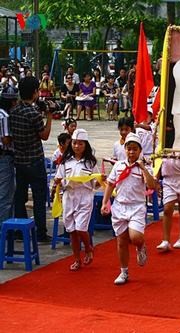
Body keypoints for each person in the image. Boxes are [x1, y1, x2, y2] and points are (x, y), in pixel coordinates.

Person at [101, 132, 156, 285]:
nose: (131, 152)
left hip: (137, 206)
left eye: (135, 149)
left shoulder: (144, 167)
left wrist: (143, 168)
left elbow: (151, 186)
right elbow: (111, 184)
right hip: (120, 206)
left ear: (140, 151)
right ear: (125, 150)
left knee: (135, 237)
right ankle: (124, 271)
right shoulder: (118, 165)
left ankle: (141, 246)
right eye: (129, 149)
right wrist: (105, 202)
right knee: (122, 240)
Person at [9, 76, 53, 242]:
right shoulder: (33, 113)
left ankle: (20, 229)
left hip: (19, 160)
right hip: (34, 160)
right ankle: (41, 233)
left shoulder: (14, 111)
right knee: (39, 197)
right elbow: (44, 135)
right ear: (35, 92)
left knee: (20, 196)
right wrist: (49, 116)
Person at [53, 129, 98, 271]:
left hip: (85, 196)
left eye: (80, 144)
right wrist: (56, 183)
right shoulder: (65, 162)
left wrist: (100, 179)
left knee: (81, 228)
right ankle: (77, 259)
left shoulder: (90, 162)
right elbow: (58, 179)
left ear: (85, 145)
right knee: (71, 230)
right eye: (74, 143)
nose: (77, 146)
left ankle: (89, 248)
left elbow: (95, 182)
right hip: (69, 196)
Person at [156, 152, 180, 252]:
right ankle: (165, 240)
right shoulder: (164, 141)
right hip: (169, 179)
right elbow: (158, 161)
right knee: (167, 209)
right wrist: (156, 178)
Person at [0, 86, 18, 226]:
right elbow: (6, 139)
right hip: (4, 156)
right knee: (5, 195)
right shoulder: (5, 116)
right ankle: (4, 227)